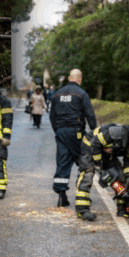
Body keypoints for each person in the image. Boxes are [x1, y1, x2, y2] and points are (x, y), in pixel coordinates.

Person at [49, 69, 97, 208]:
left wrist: (58, 130)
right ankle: (82, 195)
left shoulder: (57, 94)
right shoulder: (81, 94)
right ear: (80, 79)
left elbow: (52, 116)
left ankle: (61, 196)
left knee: (63, 161)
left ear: (69, 78)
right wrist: (95, 133)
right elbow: (90, 115)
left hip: (61, 131)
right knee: (84, 161)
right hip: (76, 132)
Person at [73, 123, 129, 221]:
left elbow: (128, 160)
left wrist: (128, 175)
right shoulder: (115, 133)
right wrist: (98, 164)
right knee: (88, 174)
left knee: (120, 176)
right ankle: (82, 210)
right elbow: (95, 143)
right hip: (91, 145)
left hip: (107, 152)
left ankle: (122, 209)